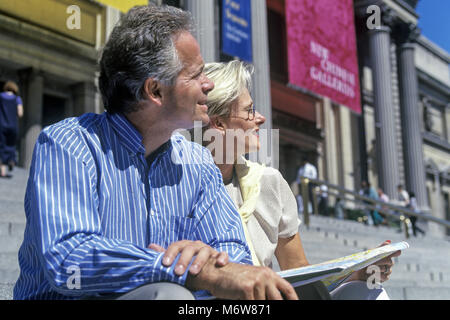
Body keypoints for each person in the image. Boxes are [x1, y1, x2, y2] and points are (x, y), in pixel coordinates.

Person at [14, 5, 297, 301]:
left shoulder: (198, 162)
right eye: (196, 74)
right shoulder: (68, 144)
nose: (209, 84)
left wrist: (205, 260)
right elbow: (70, 259)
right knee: (171, 295)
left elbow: (235, 253)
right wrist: (186, 269)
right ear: (155, 91)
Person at [202, 60, 401, 300]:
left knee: (369, 292)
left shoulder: (269, 182)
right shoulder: (179, 185)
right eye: (249, 110)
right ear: (219, 124)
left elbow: (298, 273)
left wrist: (355, 273)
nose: (261, 118)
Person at [0, 81, 24, 178]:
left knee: (2, 146)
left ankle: (3, 171)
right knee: (11, 145)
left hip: (1, 125)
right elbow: (20, 113)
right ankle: (11, 160)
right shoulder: (17, 99)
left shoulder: (1, 96)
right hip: (13, 126)